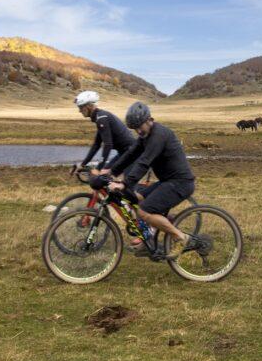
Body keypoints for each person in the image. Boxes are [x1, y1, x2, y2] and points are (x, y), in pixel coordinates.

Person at [104, 101, 209, 259]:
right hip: (168, 181)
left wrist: (124, 183)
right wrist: (112, 171)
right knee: (136, 198)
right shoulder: (145, 136)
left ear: (149, 119)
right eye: (135, 128)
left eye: (140, 126)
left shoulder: (158, 135)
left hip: (180, 182)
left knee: (144, 211)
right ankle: (150, 241)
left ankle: (182, 238)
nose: (138, 130)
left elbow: (144, 162)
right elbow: (130, 155)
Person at [72, 90, 135, 175]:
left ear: (89, 106)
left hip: (131, 153)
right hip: (123, 152)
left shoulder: (101, 118)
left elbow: (108, 145)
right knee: (103, 177)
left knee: (128, 184)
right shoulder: (100, 117)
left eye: (80, 107)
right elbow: (96, 145)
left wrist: (98, 168)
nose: (79, 111)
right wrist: (83, 165)